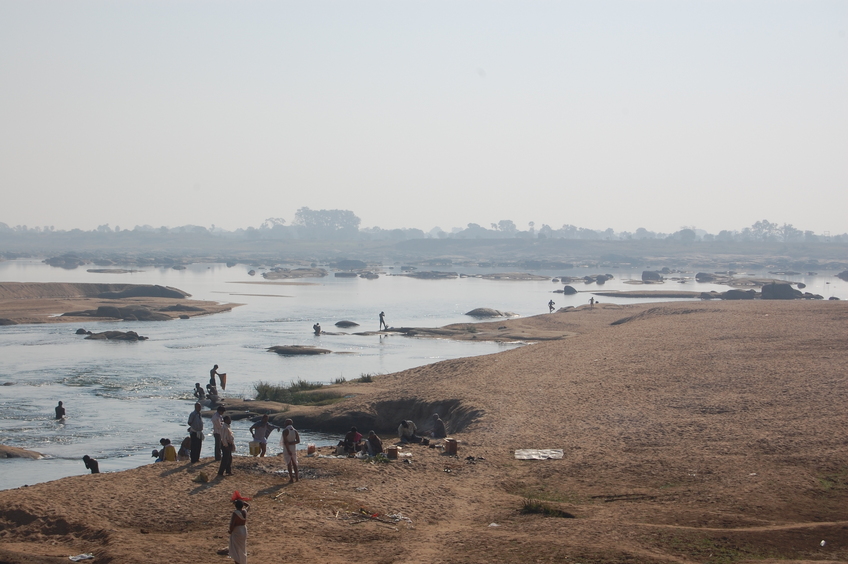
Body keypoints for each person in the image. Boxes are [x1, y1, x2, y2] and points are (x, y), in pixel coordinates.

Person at [228, 499, 249, 564]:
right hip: (243, 530)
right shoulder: (244, 511)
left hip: (237, 531)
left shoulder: (235, 513)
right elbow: (248, 506)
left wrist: (230, 531)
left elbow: (232, 524)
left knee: (236, 550)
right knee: (242, 548)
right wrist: (244, 503)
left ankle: (238, 562)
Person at [281, 418, 300, 483]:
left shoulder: (285, 431)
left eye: (285, 422)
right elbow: (298, 441)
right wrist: (292, 443)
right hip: (293, 447)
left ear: (287, 424)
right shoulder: (295, 431)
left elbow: (285, 442)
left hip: (287, 448)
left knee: (289, 463)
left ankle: (291, 478)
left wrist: (288, 449)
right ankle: (297, 478)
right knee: (294, 462)